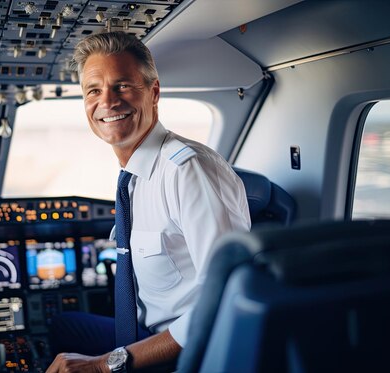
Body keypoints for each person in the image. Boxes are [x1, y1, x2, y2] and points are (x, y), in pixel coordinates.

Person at [46, 31, 251, 373]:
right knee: (64, 325)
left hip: (189, 351)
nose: (107, 102)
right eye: (93, 90)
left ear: (153, 92)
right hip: (144, 332)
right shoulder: (135, 175)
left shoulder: (188, 171)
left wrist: (104, 365)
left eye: (122, 86)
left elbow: (225, 301)